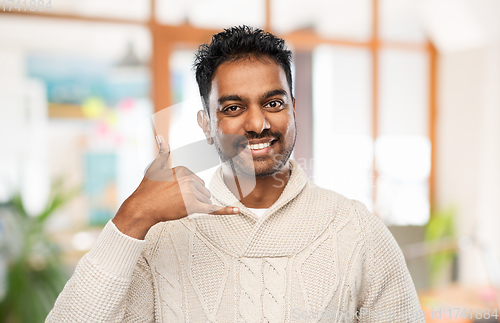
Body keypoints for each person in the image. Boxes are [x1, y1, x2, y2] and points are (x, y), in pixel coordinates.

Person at [46, 25, 425, 322]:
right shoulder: (163, 236)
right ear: (206, 125)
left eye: (273, 103)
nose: (258, 123)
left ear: (294, 109)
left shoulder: (355, 229)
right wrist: (132, 217)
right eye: (232, 108)